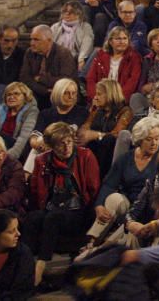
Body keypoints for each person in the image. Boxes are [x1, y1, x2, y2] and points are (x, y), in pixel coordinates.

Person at [23, 121, 100, 287]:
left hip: (79, 210)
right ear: (51, 146)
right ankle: (24, 266)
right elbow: (37, 191)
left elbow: (93, 189)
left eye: (69, 142)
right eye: (60, 144)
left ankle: (40, 267)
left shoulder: (85, 156)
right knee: (32, 218)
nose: (66, 147)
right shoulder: (42, 160)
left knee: (53, 218)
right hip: (52, 207)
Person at [86, 116, 159, 245]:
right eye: (149, 139)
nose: (154, 143)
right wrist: (99, 205)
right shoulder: (126, 158)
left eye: (157, 139)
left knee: (113, 243)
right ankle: (92, 240)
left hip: (148, 208)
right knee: (114, 198)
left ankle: (97, 249)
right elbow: (109, 184)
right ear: (139, 139)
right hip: (128, 205)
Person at [18, 25, 78, 109]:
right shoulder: (30, 52)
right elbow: (25, 78)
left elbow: (66, 81)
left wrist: (40, 79)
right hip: (38, 91)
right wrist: (44, 90)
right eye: (31, 39)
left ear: (49, 41)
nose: (32, 43)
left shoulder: (63, 54)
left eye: (36, 40)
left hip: (58, 93)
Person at [0, 209, 34, 300]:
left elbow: (20, 292)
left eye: (17, 229)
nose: (18, 234)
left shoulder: (22, 255)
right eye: (11, 231)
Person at [85, 27, 142, 103]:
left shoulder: (134, 57)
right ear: (111, 42)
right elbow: (91, 79)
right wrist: (96, 96)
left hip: (121, 100)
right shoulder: (100, 55)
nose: (122, 42)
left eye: (125, 38)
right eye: (118, 39)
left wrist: (118, 98)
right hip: (100, 98)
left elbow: (133, 82)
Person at [0, 82, 37, 161]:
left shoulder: (31, 111)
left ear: (25, 96)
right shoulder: (1, 109)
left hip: (16, 148)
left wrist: (9, 156)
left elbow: (23, 138)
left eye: (16, 94)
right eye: (9, 94)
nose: (11, 97)